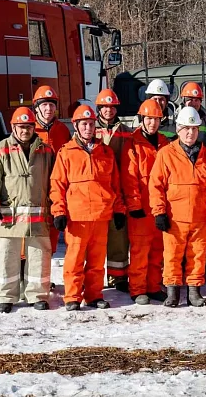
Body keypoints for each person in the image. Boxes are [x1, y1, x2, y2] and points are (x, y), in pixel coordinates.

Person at [50, 105, 126, 311]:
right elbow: (57, 185)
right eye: (84, 124)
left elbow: (115, 184)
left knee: (96, 260)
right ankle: (72, 296)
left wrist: (119, 210)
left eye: (91, 124)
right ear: (75, 126)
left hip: (101, 215)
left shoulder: (106, 152)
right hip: (77, 216)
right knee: (74, 259)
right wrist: (59, 211)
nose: (88, 128)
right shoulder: (66, 152)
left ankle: (94, 295)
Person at [0, 107, 55, 313]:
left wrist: (56, 208)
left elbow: (55, 181)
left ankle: (38, 295)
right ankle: (6, 296)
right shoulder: (0, 150)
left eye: (29, 126)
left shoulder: (46, 151)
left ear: (34, 127)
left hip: (38, 215)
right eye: (21, 127)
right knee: (6, 256)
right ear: (14, 127)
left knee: (39, 256)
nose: (25, 131)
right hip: (8, 217)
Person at [149, 107, 206, 307]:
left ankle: (194, 291)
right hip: (174, 218)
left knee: (197, 255)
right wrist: (159, 212)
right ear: (178, 129)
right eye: (186, 128)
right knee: (172, 255)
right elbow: (156, 186)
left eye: (194, 129)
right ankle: (173, 291)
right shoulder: (166, 154)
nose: (190, 133)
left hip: (200, 216)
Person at [121, 99, 170, 305]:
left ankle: (153, 286)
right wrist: (133, 205)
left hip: (161, 207)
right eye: (149, 119)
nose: (152, 123)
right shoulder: (132, 143)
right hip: (141, 207)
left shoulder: (166, 144)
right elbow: (129, 176)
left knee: (158, 250)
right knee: (140, 250)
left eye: (156, 119)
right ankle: (138, 289)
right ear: (142, 119)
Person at [94, 89, 133, 292]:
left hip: (119, 188)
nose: (108, 111)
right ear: (99, 109)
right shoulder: (89, 128)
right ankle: (93, 276)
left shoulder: (126, 130)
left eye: (111, 107)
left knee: (119, 236)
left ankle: (118, 277)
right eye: (104, 107)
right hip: (97, 189)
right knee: (96, 239)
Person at [32, 85, 71, 257]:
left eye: (52, 105)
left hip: (57, 189)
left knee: (53, 233)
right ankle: (29, 274)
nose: (48, 109)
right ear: (37, 107)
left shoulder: (62, 130)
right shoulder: (29, 129)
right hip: (35, 189)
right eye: (44, 105)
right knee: (34, 236)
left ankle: (46, 278)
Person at [178, 82, 206, 149]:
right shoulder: (173, 118)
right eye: (190, 100)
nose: (193, 103)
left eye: (196, 100)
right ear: (184, 101)